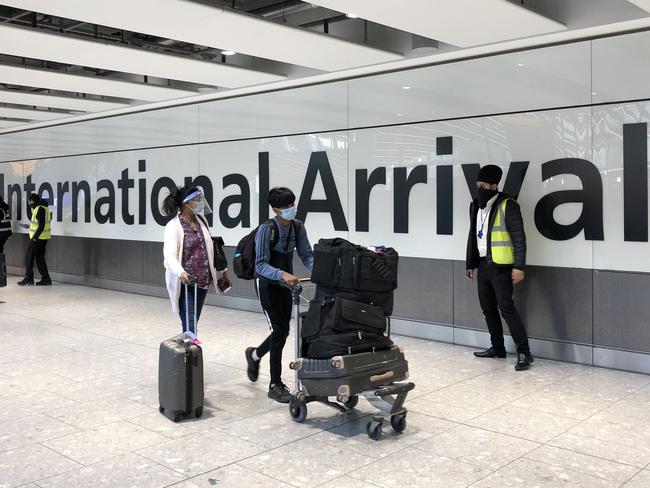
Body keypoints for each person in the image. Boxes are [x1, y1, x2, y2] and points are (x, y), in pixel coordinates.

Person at [245, 187, 313, 403]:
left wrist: (322, 272)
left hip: (286, 285)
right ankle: (275, 384)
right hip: (266, 284)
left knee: (281, 332)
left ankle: (254, 355)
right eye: (285, 207)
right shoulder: (267, 229)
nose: (290, 209)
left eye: (292, 204)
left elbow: (306, 254)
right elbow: (260, 265)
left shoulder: (297, 227)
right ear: (275, 209)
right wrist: (282, 274)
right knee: (279, 331)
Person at [465, 165, 533, 371]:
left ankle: (524, 352)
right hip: (483, 266)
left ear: (494, 186)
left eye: (483, 186)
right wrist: (470, 263)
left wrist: (519, 266)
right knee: (488, 309)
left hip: (502, 267)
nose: (480, 189)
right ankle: (498, 348)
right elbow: (472, 235)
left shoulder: (508, 205)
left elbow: (519, 238)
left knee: (506, 309)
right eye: (478, 186)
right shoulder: (475, 205)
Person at [162, 186, 231, 335]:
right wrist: (181, 272)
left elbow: (212, 247)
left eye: (201, 199)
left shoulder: (201, 220)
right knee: (190, 325)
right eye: (197, 200)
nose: (201, 202)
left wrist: (223, 271)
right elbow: (169, 256)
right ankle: (191, 354)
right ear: (186, 203)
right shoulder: (173, 226)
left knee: (192, 321)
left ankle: (186, 352)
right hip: (185, 284)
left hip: (203, 282)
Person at [17, 194, 52, 286]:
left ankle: (29, 278)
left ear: (32, 201)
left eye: (29, 201)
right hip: (43, 237)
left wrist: (35, 237)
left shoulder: (40, 208)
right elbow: (39, 223)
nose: (29, 203)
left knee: (29, 256)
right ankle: (46, 279)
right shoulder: (44, 208)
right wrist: (30, 226)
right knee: (40, 258)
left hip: (38, 238)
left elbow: (41, 225)